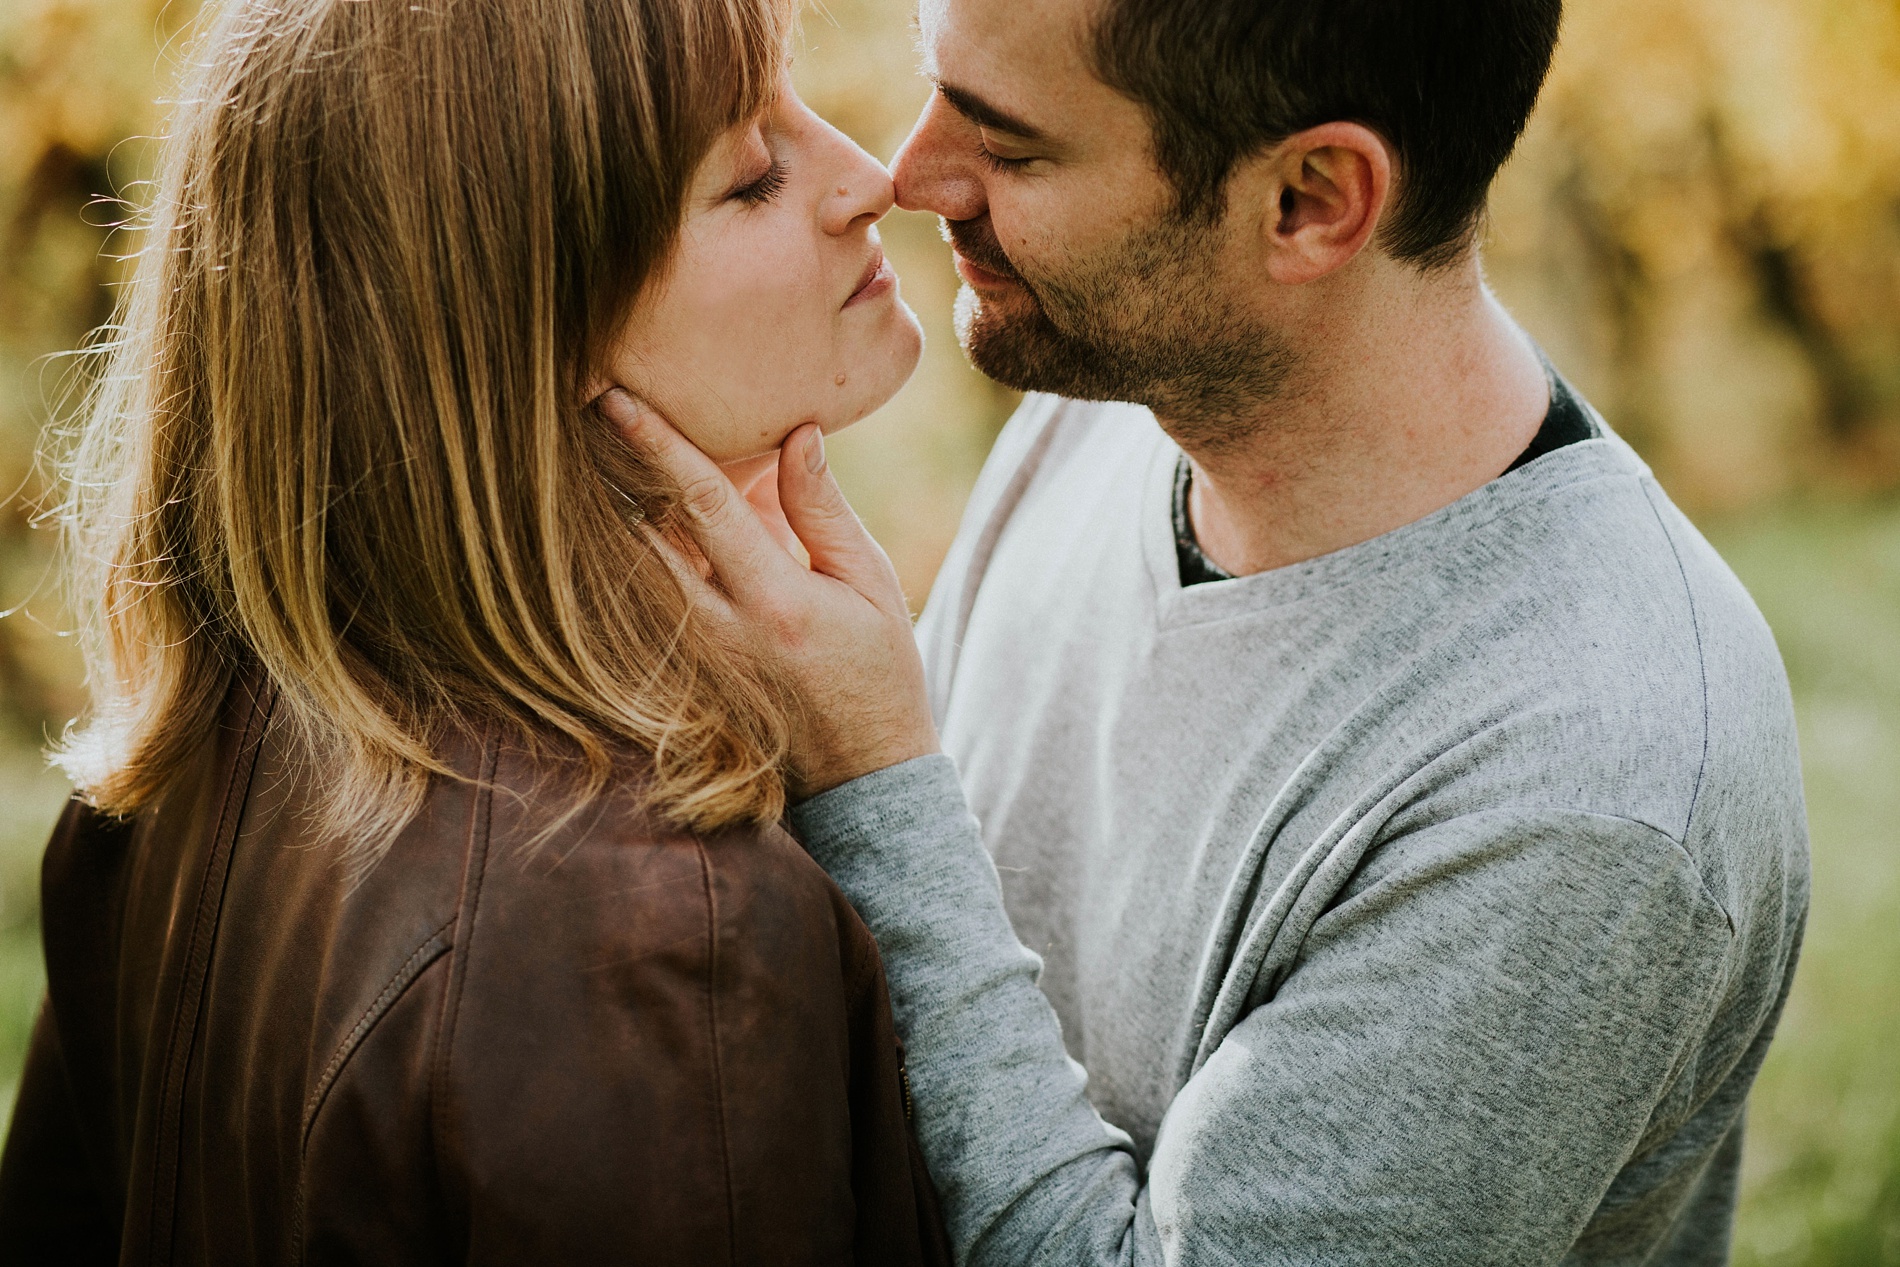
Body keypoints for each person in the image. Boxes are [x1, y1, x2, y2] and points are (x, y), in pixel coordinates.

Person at [606, 0, 1812, 1261]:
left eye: (1012, 151)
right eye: (936, 87)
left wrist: (868, 768)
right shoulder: (1122, 406)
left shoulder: (1581, 794)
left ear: (1309, 201)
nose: (909, 176)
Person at [0, 0, 950, 1262]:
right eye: (751, 177)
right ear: (519, 328)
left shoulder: (173, 784)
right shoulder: (662, 935)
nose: (867, 179)